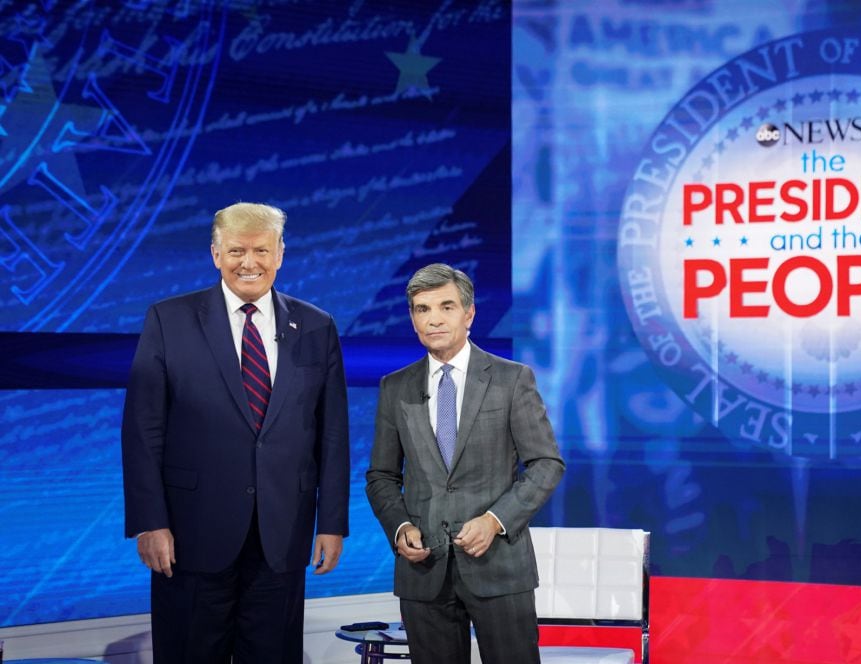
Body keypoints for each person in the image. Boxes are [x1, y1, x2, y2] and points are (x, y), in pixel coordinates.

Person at [121, 202, 350, 663]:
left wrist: (332, 524)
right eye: (236, 251)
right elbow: (142, 429)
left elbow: (333, 433)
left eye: (261, 250)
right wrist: (150, 521)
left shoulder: (316, 325)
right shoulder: (169, 320)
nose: (249, 262)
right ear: (215, 254)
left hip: (282, 535)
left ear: (280, 254)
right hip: (190, 535)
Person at [366, 263, 565, 664]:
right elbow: (381, 476)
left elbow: (546, 463)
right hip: (424, 573)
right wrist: (401, 527)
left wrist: (495, 519)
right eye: (423, 309)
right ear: (413, 318)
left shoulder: (511, 379)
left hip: (500, 569)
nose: (434, 319)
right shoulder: (395, 387)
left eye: (446, 306)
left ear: (469, 314)